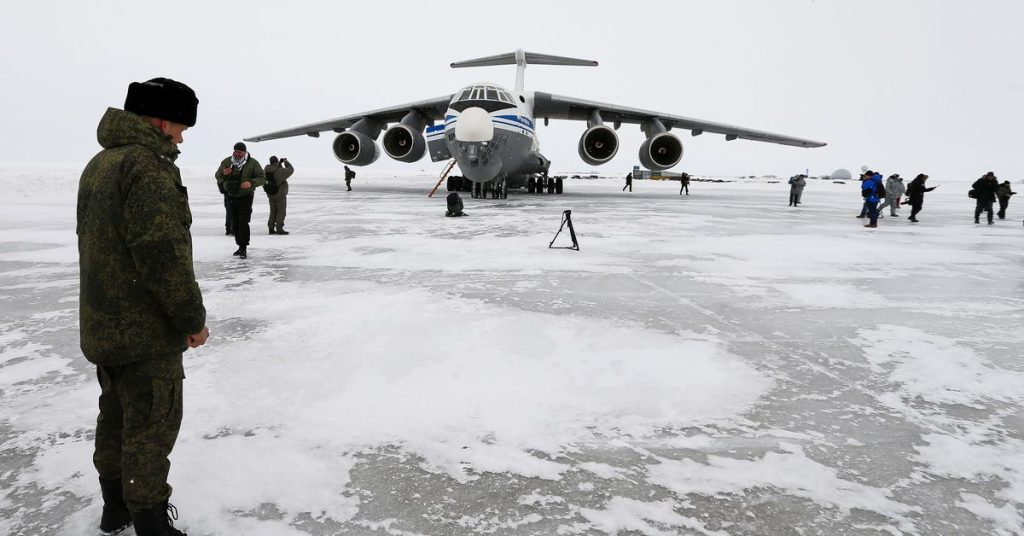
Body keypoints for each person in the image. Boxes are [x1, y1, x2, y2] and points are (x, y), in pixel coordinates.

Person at [78, 77, 208, 536]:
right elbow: (163, 257)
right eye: (180, 125)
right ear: (161, 119)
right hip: (144, 331)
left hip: (104, 325)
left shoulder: (101, 163)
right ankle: (152, 523)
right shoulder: (147, 167)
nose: (182, 136)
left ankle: (116, 508)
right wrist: (192, 320)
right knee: (152, 425)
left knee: (113, 417)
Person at [216, 142, 265, 258]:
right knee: (235, 223)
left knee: (243, 222)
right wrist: (223, 173)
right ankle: (239, 246)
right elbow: (217, 176)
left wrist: (251, 183)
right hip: (231, 196)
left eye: (240, 152)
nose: (237, 154)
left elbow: (262, 178)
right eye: (235, 151)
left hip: (246, 196)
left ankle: (243, 247)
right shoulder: (227, 162)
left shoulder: (253, 163)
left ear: (244, 152)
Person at [263, 156, 295, 235]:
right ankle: (279, 228)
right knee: (281, 211)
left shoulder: (265, 171)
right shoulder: (280, 171)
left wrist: (279, 164)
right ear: (275, 162)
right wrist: (286, 162)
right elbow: (291, 170)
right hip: (280, 195)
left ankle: (271, 228)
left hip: (270, 195)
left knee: (273, 211)